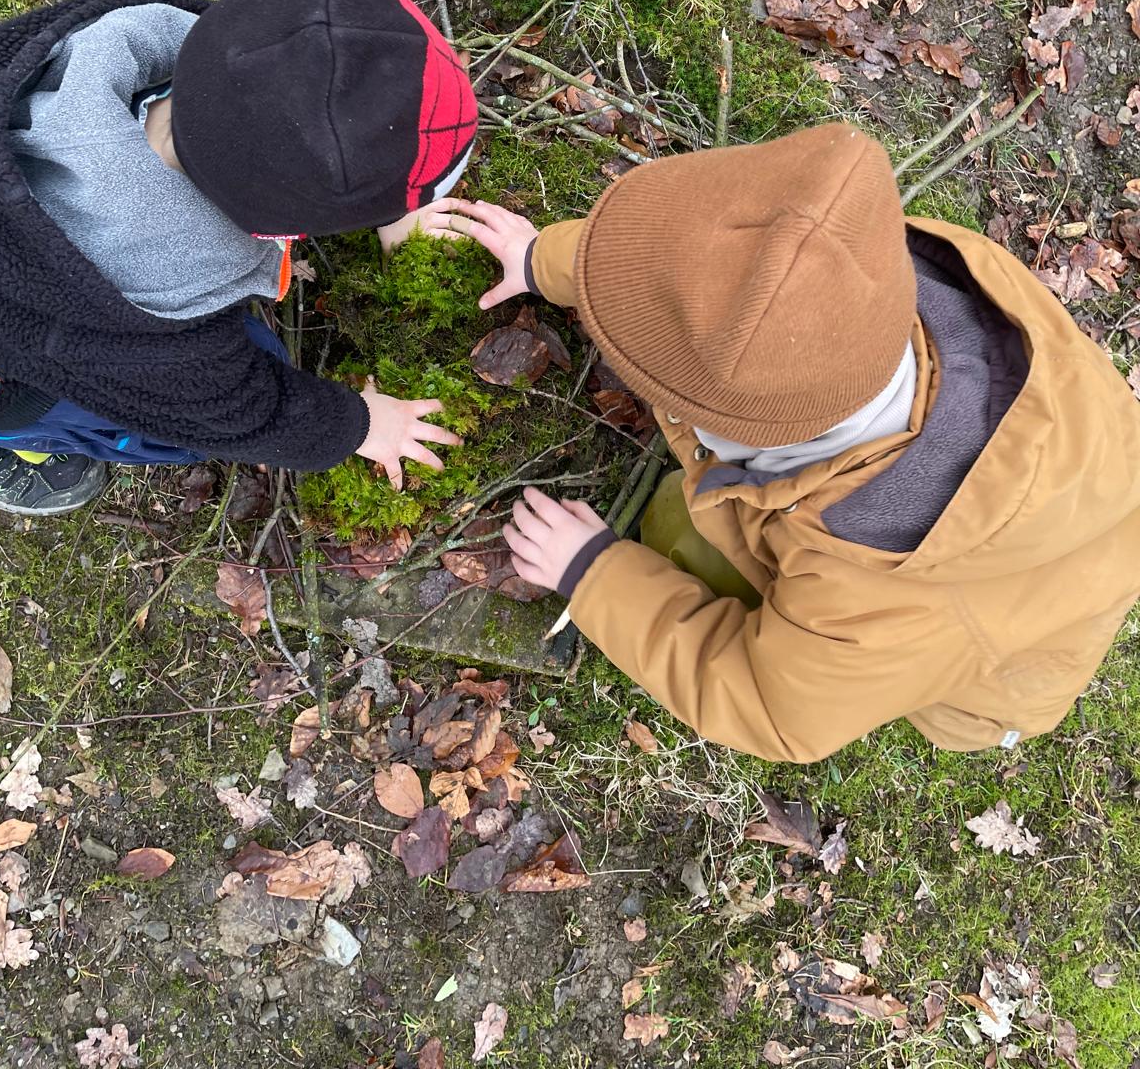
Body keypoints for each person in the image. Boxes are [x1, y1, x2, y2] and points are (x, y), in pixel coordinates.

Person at [433, 123, 1140, 761]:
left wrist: (597, 577)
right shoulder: (851, 262)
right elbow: (686, 259)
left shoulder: (865, 596)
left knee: (683, 530)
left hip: (986, 677)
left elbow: (770, 709)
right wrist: (544, 259)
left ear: (736, 427)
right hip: (1075, 485)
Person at [0, 0, 477, 515]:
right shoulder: (159, 340)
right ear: (280, 221)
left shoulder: (120, 41)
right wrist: (359, 425)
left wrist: (386, 198)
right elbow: (247, 416)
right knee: (166, 427)